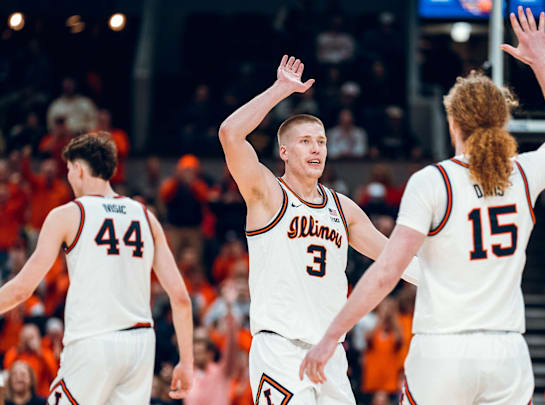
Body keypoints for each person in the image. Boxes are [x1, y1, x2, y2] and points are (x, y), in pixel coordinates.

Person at [300, 8, 545, 405]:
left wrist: (331, 335)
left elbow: (386, 273)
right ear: (501, 122)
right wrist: (542, 62)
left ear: (453, 123)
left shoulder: (434, 181)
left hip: (444, 351)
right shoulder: (522, 174)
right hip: (507, 353)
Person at [218, 54, 419, 404]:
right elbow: (230, 134)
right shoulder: (267, 194)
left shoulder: (343, 208)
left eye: (322, 141)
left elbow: (394, 260)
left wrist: (448, 281)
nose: (317, 148)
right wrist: (280, 90)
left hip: (329, 352)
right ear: (283, 150)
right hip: (280, 349)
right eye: (306, 141)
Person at [0, 134, 194, 403]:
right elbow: (181, 298)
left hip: (93, 341)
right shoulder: (147, 217)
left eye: (68, 170)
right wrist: (186, 362)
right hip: (139, 345)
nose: (68, 177)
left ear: (78, 169)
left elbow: (22, 288)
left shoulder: (68, 214)